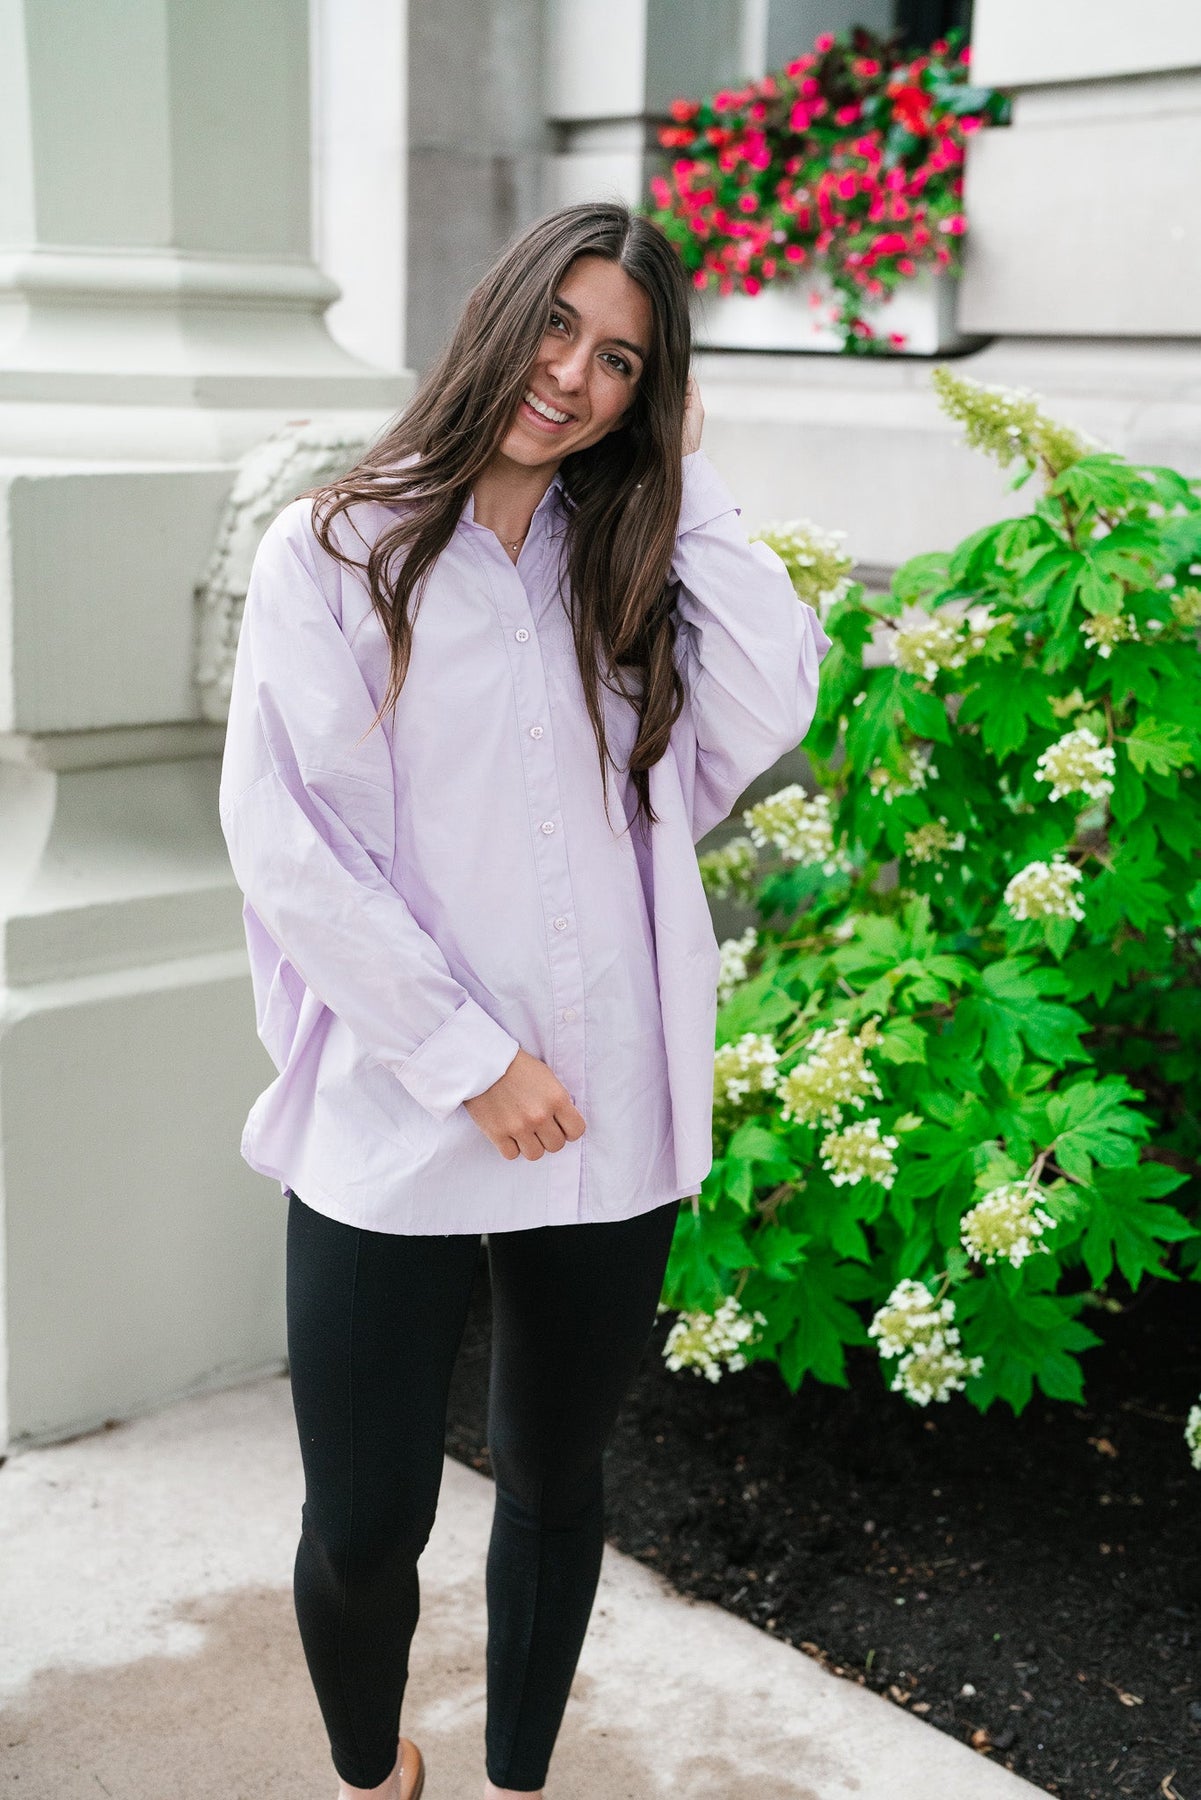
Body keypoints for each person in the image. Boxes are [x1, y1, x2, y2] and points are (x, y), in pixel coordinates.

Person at [218, 199, 830, 1800]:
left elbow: (774, 686)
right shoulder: (332, 549)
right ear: (499, 314)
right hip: (396, 1102)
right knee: (365, 1522)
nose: (572, 376)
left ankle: (516, 1782)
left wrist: (686, 476)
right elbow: (289, 845)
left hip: (603, 1101)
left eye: (620, 360)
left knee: (557, 1479)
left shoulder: (622, 562)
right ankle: (374, 1774)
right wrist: (470, 1057)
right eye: (557, 326)